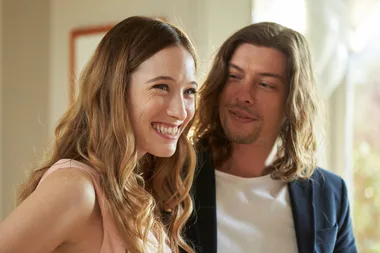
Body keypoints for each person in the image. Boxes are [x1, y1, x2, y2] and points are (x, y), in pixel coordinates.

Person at [0, 16, 199, 253]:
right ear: (115, 91)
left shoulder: (134, 192)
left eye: (189, 91)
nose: (179, 111)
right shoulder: (76, 189)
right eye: (161, 87)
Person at [184, 22, 357, 253]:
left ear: (293, 102)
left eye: (265, 84)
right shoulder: (173, 178)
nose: (243, 95)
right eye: (234, 76)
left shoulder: (330, 193)